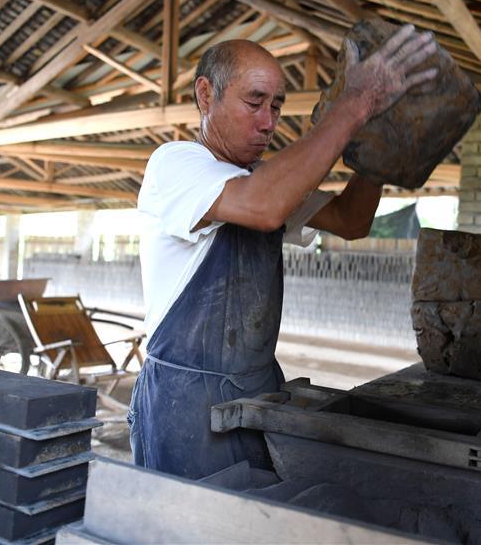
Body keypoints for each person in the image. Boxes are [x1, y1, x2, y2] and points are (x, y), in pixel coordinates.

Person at [129, 24, 439, 480]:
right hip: (186, 402)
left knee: (254, 509)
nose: (269, 122)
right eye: (254, 102)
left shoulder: (261, 180)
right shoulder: (176, 165)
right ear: (205, 95)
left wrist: (376, 149)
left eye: (275, 106)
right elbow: (263, 207)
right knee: (189, 513)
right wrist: (354, 106)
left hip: (257, 390)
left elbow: (351, 221)